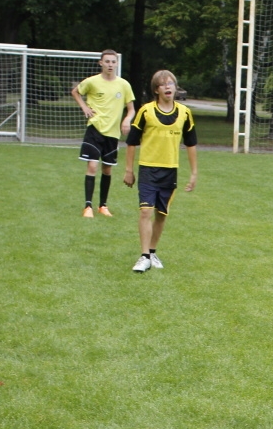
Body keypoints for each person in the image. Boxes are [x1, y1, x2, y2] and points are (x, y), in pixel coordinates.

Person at [123, 69, 199, 273]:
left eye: (171, 83)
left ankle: (153, 251)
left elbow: (191, 144)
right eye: (163, 84)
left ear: (175, 87)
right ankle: (144, 256)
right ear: (156, 89)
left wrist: (193, 173)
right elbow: (131, 142)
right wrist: (128, 170)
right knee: (146, 211)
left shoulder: (184, 113)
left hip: (170, 171)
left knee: (161, 214)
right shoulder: (145, 111)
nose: (167, 87)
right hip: (148, 169)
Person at [71, 49, 135, 218]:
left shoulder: (124, 85)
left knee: (107, 170)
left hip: (112, 134)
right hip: (95, 129)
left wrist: (127, 120)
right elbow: (75, 91)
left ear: (117, 63)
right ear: (101, 63)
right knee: (92, 165)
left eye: (113, 62)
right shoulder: (92, 82)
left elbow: (131, 109)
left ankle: (103, 206)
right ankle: (88, 207)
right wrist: (84, 107)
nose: (110, 65)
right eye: (107, 61)